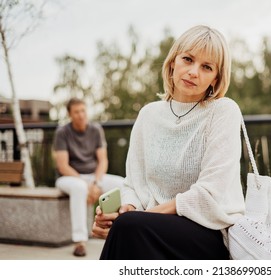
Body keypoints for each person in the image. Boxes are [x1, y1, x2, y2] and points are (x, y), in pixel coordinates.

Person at [92, 25, 246, 260]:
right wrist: (126, 209)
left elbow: (209, 194)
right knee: (127, 227)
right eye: (188, 59)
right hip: (149, 227)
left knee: (129, 228)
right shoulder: (148, 115)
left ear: (216, 77)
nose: (194, 72)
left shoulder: (223, 111)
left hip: (209, 233)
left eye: (206, 67)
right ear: (173, 62)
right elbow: (133, 184)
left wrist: (142, 217)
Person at [53, 98, 124, 257]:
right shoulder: (62, 132)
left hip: (93, 176)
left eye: (83, 110)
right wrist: (87, 184)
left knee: (122, 184)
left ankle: (115, 231)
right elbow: (63, 166)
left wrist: (97, 183)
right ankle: (80, 241)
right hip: (69, 177)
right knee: (79, 188)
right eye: (76, 112)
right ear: (70, 114)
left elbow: (103, 160)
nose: (81, 115)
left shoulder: (96, 129)